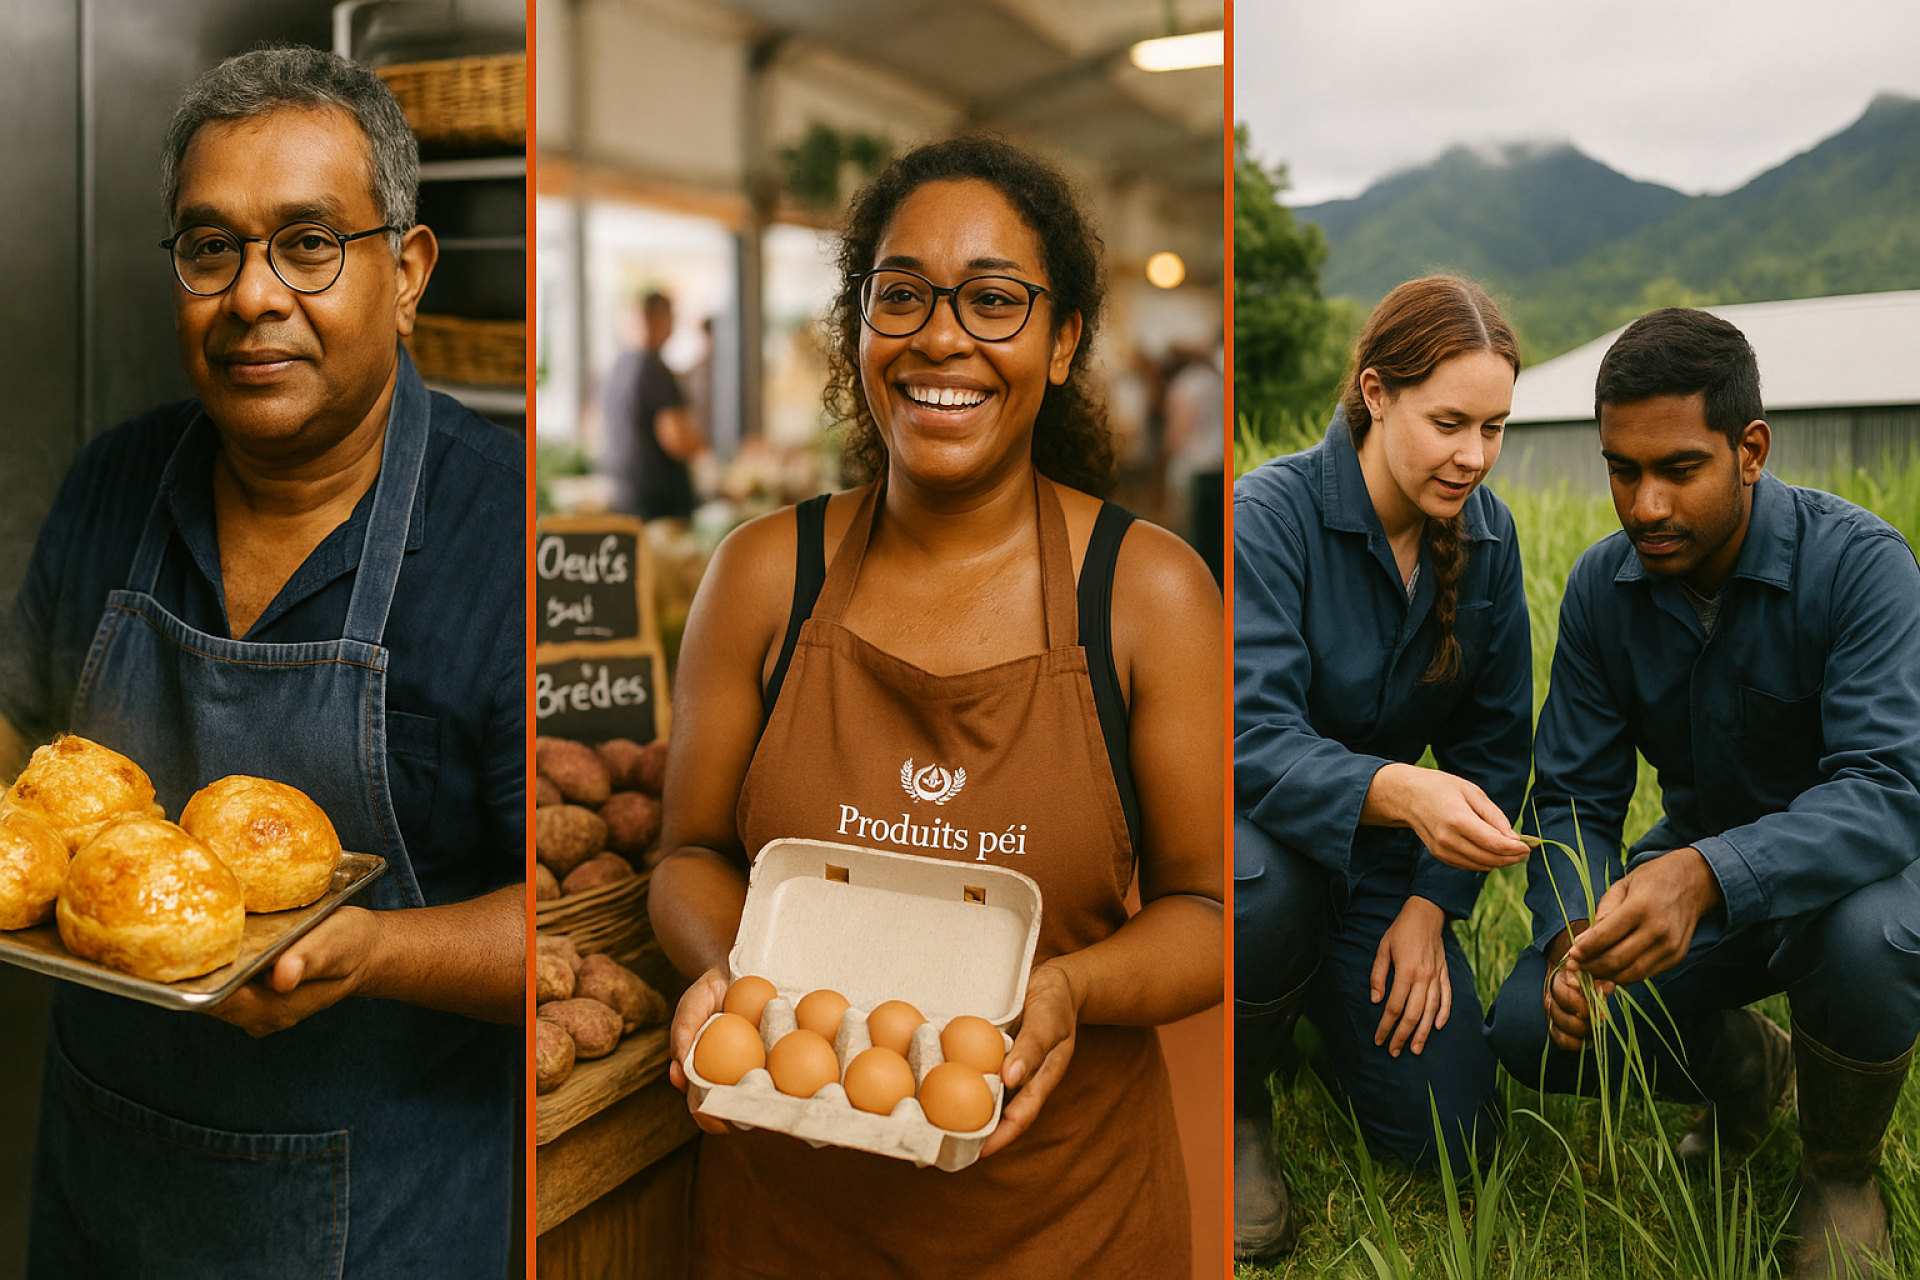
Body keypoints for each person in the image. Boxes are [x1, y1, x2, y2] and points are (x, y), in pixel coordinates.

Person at [649, 134, 1223, 1276]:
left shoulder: (1147, 593)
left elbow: (1209, 908)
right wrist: (737, 980)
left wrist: (1067, 988)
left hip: (1068, 1225)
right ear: (859, 328)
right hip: (786, 1227)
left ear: (1062, 343)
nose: (941, 334)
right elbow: (689, 852)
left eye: (993, 300)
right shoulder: (765, 575)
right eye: (899, 294)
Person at [2, 47, 524, 1277]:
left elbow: (565, 934)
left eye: (307, 243)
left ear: (408, 273)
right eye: (210, 247)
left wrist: (376, 951)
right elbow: (17, 723)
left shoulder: (500, 537)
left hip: (380, 1212)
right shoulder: (113, 480)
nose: (252, 296)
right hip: (99, 1178)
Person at [1484, 308, 1920, 1279]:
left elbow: (1889, 790)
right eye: (1621, 469)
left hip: (1844, 884)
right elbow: (1576, 798)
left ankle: (1840, 1167)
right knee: (1529, 1024)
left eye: (1678, 468)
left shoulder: (1862, 566)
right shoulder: (1605, 588)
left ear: (1750, 448)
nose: (1644, 504)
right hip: (1695, 878)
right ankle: (1749, 1070)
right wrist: (1573, 935)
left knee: (1875, 936)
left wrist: (1711, 873)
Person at [1233, 276, 1534, 1259]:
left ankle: (1318, 1009)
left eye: (1494, 427)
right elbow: (1250, 734)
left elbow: (1494, 745)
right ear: (1375, 391)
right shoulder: (1267, 513)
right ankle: (1239, 1100)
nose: (1474, 456)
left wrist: (1431, 906)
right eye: (1450, 421)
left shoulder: (1486, 542)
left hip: (1379, 871)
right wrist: (1399, 789)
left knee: (1451, 1139)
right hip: (1256, 841)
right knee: (1264, 892)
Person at [602, 291, 704, 520]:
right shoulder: (653, 368)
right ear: (659, 319)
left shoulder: (617, 366)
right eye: (671, 317)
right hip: (659, 503)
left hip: (626, 495)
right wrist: (702, 447)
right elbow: (675, 437)